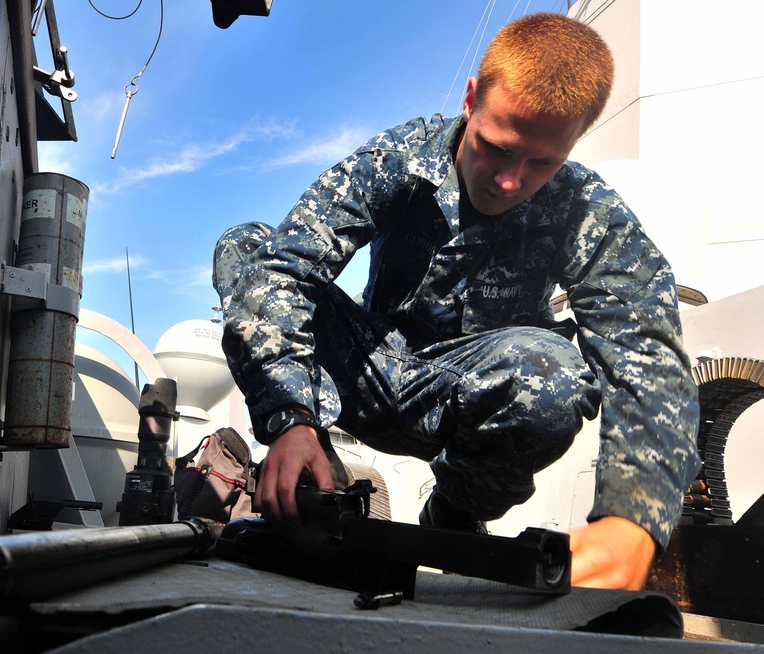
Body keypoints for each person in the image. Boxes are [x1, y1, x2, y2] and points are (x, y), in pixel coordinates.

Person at [212, 12, 699, 591]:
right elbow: (289, 264)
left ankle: (455, 513)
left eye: (541, 162)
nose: (509, 181)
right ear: (471, 100)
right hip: (366, 375)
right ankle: (319, 478)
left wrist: (633, 519)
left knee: (554, 375)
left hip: (470, 402)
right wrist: (291, 420)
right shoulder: (401, 155)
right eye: (496, 148)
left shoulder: (583, 208)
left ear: (573, 142)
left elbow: (645, 349)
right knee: (245, 248)